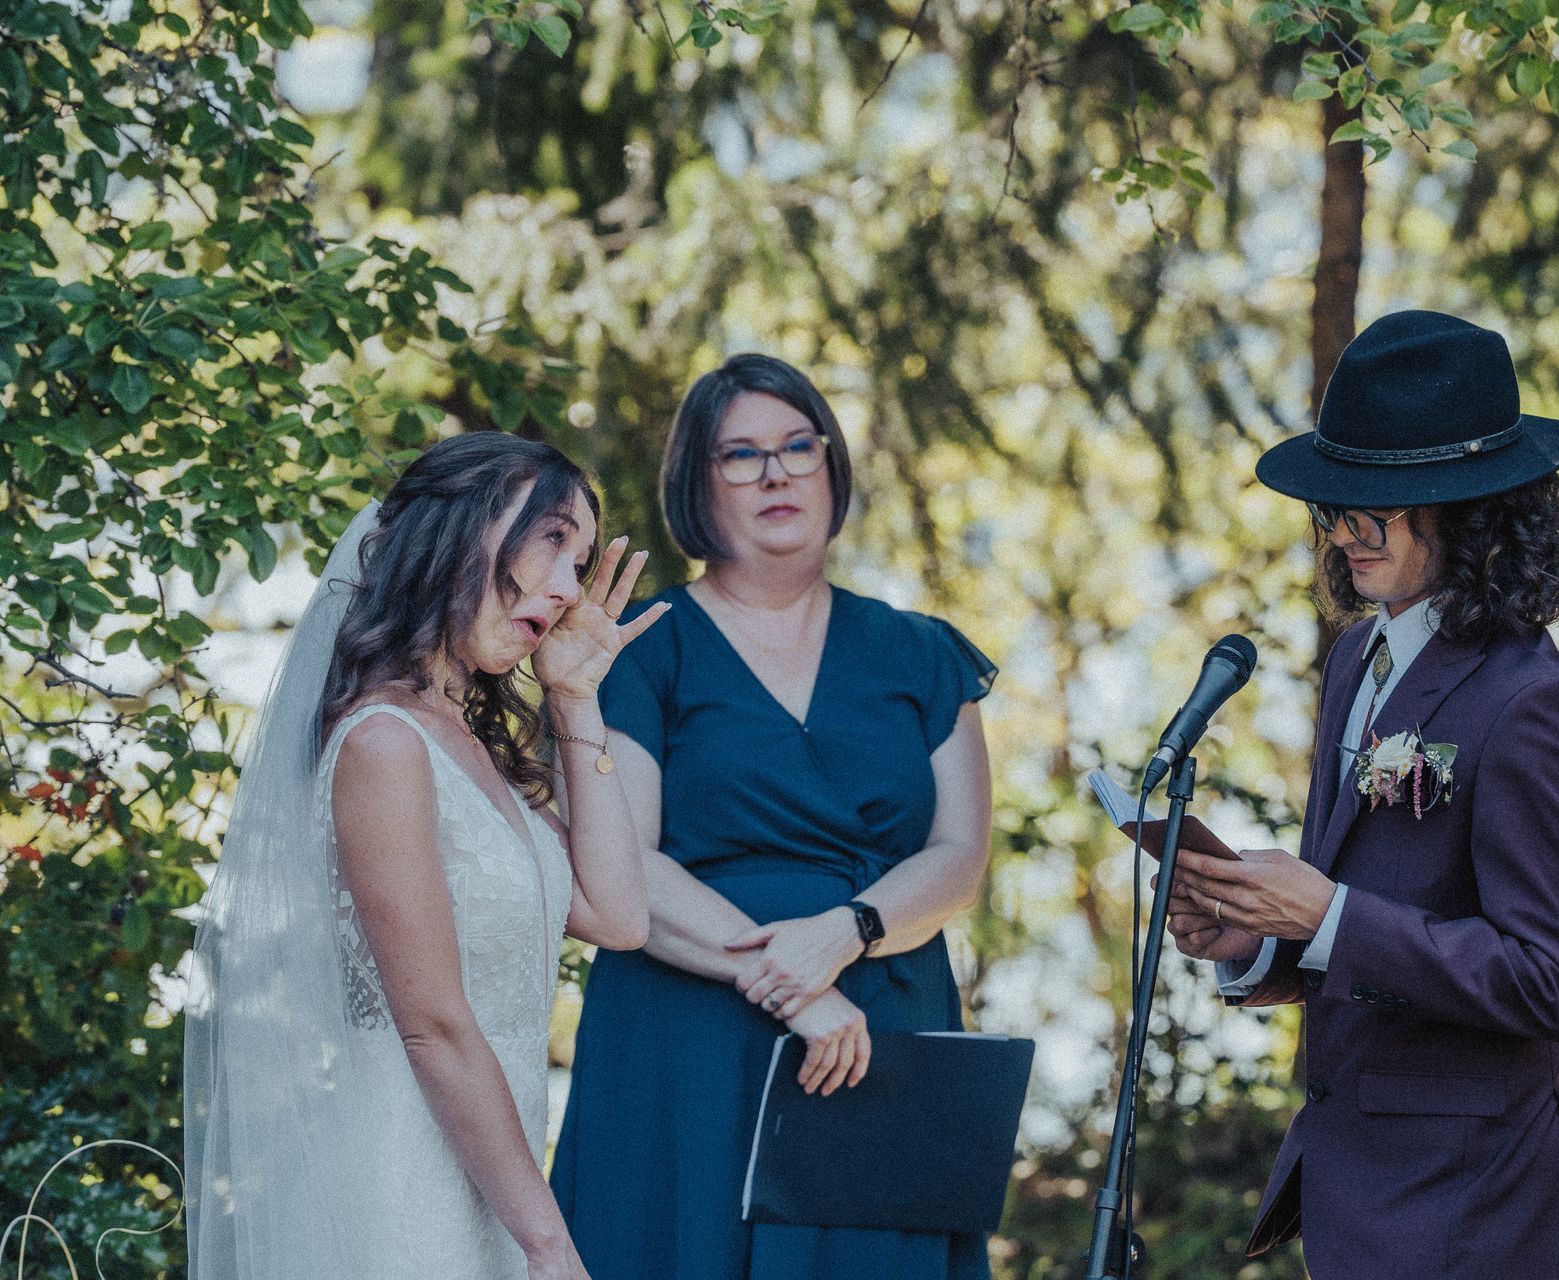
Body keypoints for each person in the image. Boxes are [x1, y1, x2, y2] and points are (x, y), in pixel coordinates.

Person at [1166, 310, 1559, 1280]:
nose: (1338, 528)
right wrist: (1253, 942)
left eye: (1371, 502)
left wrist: (1327, 915)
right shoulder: (1354, 660)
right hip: (1350, 1193)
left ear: (1465, 506)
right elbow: (1364, 938)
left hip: (1477, 1212)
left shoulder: (1537, 706)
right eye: (1333, 501)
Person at [550, 354, 996, 1280]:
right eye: (741, 455)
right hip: (688, 1025)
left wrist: (850, 931)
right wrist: (793, 987)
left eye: (799, 446)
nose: (778, 472)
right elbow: (621, 863)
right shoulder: (641, 645)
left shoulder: (924, 652)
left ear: (832, 465)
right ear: (697, 486)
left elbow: (959, 855)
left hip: (883, 1021)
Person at [185, 432, 670, 1280]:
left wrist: (574, 698)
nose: (567, 588)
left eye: (582, 559)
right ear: (461, 531)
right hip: (403, 1187)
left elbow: (621, 917)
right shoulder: (384, 742)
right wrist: (550, 1242)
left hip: (497, 1186)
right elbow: (434, 1026)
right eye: (554, 539)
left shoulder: (477, 747)